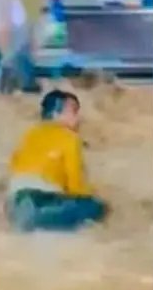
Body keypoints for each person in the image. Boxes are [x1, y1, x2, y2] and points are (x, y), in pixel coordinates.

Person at [6, 89, 108, 232]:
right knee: (96, 207)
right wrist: (90, 196)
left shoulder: (29, 135)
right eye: (74, 112)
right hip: (44, 199)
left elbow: (14, 164)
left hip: (15, 198)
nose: (79, 118)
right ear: (56, 114)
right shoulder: (70, 138)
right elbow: (75, 185)